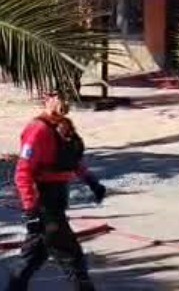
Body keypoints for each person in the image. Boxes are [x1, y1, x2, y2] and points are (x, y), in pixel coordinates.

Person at [10, 90, 107, 291]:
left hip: (58, 199)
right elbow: (23, 173)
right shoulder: (38, 130)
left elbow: (72, 160)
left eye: (66, 97)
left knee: (32, 258)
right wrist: (31, 212)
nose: (63, 102)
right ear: (47, 99)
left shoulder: (63, 127)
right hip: (44, 203)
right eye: (58, 97)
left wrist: (92, 182)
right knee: (73, 258)